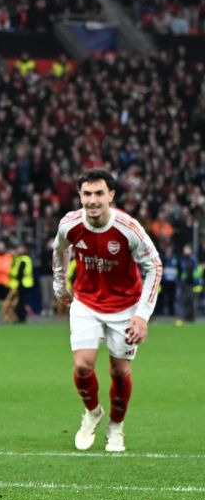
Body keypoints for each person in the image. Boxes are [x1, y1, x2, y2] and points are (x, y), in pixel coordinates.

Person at [52, 168, 162, 453]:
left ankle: (116, 426)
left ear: (111, 195)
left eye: (99, 193)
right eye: (87, 194)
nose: (92, 200)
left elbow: (154, 266)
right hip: (86, 302)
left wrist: (142, 315)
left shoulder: (128, 228)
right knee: (82, 365)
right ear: (80, 196)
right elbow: (59, 249)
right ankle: (92, 412)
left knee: (119, 371)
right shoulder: (70, 224)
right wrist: (60, 286)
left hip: (125, 307)